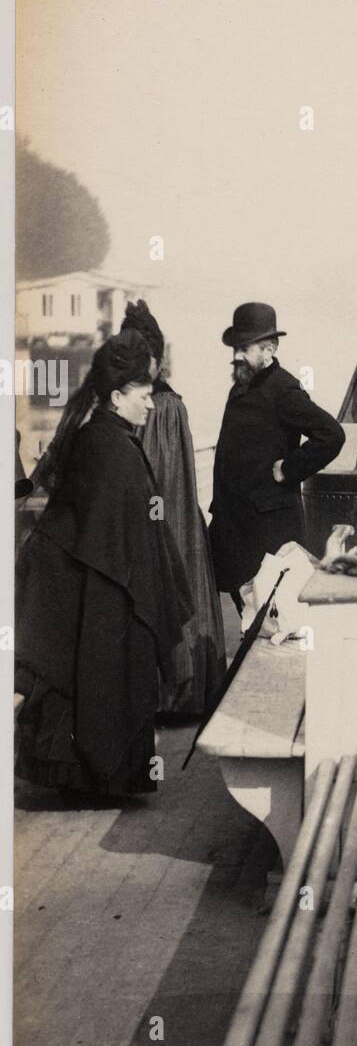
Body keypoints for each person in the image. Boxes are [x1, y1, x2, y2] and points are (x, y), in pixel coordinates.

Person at [15, 332, 192, 801]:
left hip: (102, 590)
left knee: (94, 685)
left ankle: (91, 779)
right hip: (103, 594)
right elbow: (112, 535)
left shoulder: (107, 438)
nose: (151, 406)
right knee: (100, 683)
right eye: (143, 395)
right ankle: (94, 780)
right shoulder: (109, 446)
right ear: (117, 396)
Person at [119, 300, 226, 716]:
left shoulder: (158, 407)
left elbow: (155, 473)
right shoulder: (169, 404)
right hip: (177, 518)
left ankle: (169, 694)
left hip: (162, 519)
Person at [208, 302, 345, 608]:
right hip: (237, 528)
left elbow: (332, 434)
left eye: (245, 348)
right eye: (234, 348)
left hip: (268, 535)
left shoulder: (283, 389)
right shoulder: (242, 387)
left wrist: (289, 469)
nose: (237, 356)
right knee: (250, 616)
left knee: (272, 620)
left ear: (269, 349)